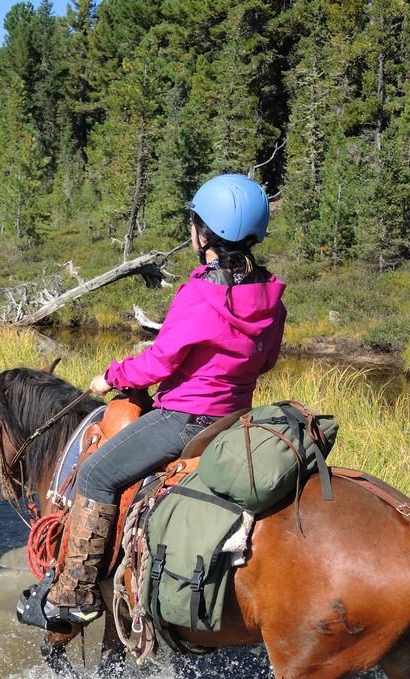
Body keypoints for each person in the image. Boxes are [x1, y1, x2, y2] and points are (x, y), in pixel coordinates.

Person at [41, 173, 287, 628]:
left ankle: (75, 592)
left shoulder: (200, 294)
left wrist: (111, 376)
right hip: (236, 420)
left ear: (205, 233)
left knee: (96, 474)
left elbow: (159, 363)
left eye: (194, 223)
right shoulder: (271, 293)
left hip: (186, 421)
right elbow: (266, 360)